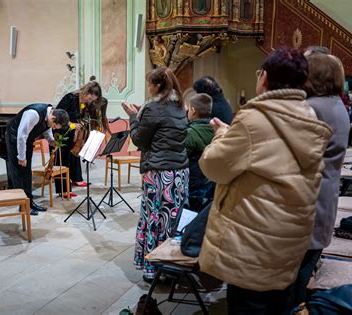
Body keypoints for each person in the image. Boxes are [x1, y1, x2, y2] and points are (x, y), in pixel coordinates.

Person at [198, 48, 332, 314]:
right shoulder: (309, 117)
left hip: (252, 250)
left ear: (265, 77)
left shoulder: (255, 119)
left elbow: (213, 167)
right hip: (287, 245)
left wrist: (222, 135)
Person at [285, 52, 350, 310]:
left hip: (308, 200)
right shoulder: (335, 103)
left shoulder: (312, 108)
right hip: (323, 197)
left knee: (292, 279)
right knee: (303, 270)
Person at [121, 67, 189, 282]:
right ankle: (171, 267)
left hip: (159, 173)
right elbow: (164, 127)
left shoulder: (152, 109)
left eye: (149, 83)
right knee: (172, 220)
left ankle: (152, 269)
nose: (148, 87)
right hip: (179, 172)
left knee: (153, 219)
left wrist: (133, 117)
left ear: (158, 86)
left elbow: (140, 140)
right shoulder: (181, 105)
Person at [5, 104, 69, 215]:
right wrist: (21, 157)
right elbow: (21, 135)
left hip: (27, 140)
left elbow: (47, 129)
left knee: (27, 172)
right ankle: (23, 206)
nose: (53, 128)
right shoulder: (33, 114)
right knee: (19, 172)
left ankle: (29, 202)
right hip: (15, 138)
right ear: (53, 118)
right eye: (54, 126)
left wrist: (51, 141)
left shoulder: (49, 115)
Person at [54, 81, 102, 196]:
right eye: (89, 98)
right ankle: (63, 191)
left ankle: (69, 185)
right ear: (86, 91)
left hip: (71, 133)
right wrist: (71, 124)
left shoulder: (81, 102)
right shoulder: (70, 98)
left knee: (69, 160)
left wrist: (76, 127)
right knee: (62, 161)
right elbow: (57, 115)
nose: (89, 102)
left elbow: (76, 118)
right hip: (61, 133)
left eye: (92, 100)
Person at [185, 93, 215, 212]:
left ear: (192, 111)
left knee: (191, 212)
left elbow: (183, 158)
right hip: (209, 179)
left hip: (193, 181)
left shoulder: (190, 133)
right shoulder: (216, 129)